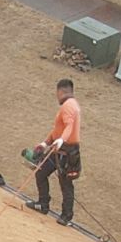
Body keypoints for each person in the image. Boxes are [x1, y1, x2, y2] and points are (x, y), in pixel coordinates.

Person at [29, 79, 83, 226]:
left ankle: (66, 216)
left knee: (65, 184)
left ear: (61, 92)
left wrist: (61, 140)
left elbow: (69, 127)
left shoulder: (68, 106)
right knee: (41, 172)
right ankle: (43, 203)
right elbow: (57, 129)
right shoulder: (69, 105)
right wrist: (45, 143)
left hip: (67, 152)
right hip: (57, 149)